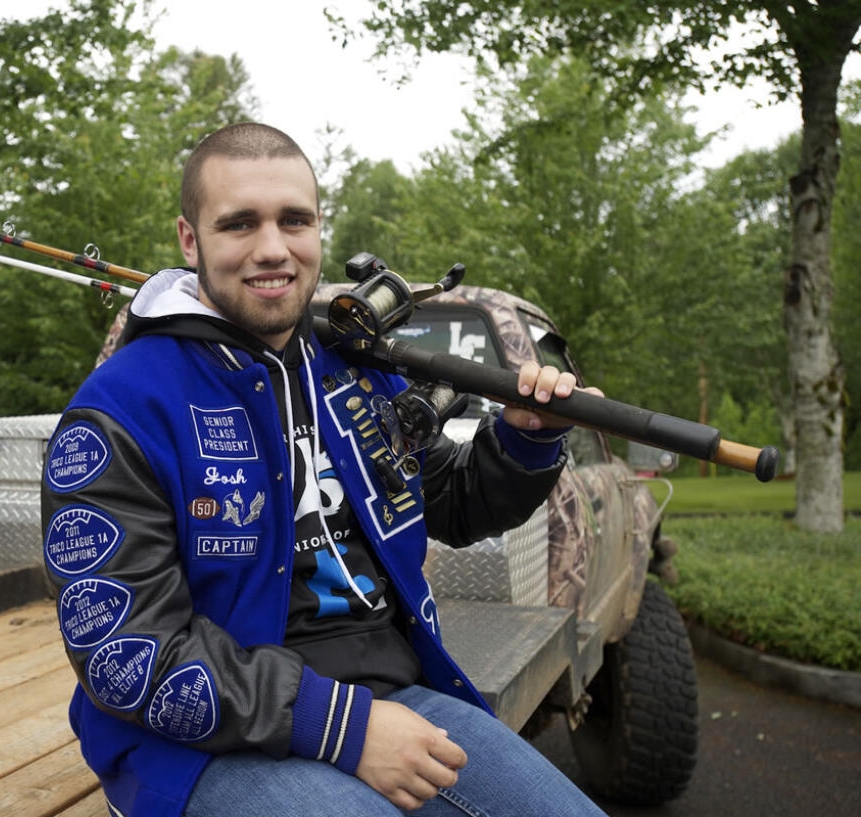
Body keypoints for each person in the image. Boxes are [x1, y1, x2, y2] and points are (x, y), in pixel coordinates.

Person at [41, 122, 608, 817]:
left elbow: (452, 502)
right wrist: (343, 725)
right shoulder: (118, 409)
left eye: (294, 220)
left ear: (318, 227)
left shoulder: (356, 372)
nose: (273, 248)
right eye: (240, 223)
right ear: (190, 240)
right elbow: (128, 654)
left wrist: (526, 440)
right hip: (198, 746)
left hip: (392, 694)